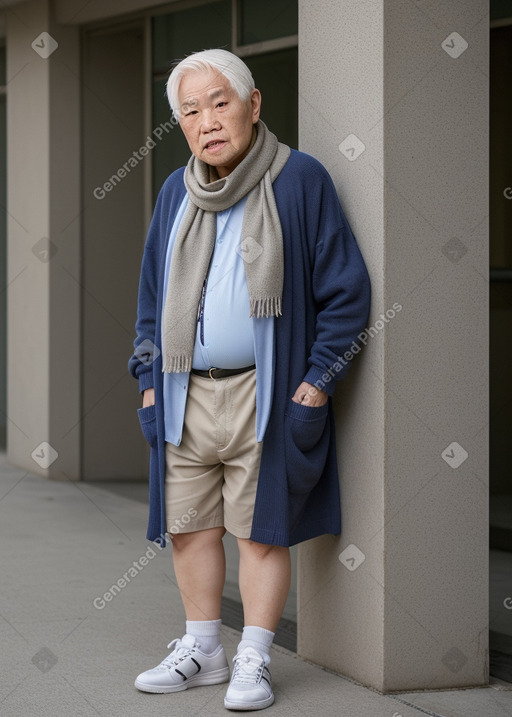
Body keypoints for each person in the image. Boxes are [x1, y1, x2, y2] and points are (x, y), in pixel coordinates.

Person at [128, 48, 371, 711]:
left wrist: (315, 383)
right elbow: (152, 292)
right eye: (189, 110)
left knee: (261, 530)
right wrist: (149, 378)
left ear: (254, 104)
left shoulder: (299, 180)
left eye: (219, 102)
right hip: (182, 387)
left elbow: (347, 293)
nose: (206, 121)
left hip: (265, 392)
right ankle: (203, 647)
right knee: (189, 525)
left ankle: (254, 658)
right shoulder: (176, 190)